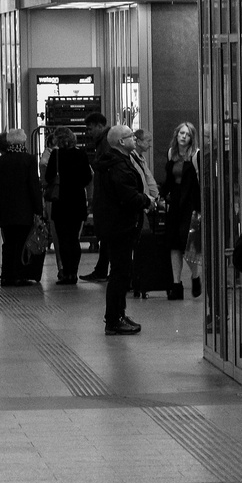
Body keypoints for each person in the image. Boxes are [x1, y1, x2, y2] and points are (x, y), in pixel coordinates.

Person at [90, 125, 152, 334]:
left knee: (122, 272)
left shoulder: (118, 161)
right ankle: (113, 320)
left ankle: (119, 313)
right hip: (119, 226)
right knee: (120, 273)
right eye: (130, 137)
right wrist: (147, 201)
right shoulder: (117, 166)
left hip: (116, 225)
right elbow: (127, 196)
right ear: (121, 142)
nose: (134, 139)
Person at [0, 129, 42, 287]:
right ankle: (19, 275)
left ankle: (7, 275)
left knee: (8, 243)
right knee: (21, 242)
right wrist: (38, 210)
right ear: (23, 142)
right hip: (24, 210)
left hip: (6, 211)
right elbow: (34, 186)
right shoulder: (29, 160)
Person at [159, 123, 202, 301]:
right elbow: (169, 180)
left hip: (192, 203)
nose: (184, 137)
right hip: (175, 203)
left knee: (189, 244)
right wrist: (161, 196)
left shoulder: (196, 155)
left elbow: (199, 182)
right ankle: (176, 284)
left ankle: (195, 276)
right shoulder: (171, 153)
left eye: (188, 134)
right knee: (174, 243)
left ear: (192, 138)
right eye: (181, 133)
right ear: (176, 135)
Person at [45, 125, 93, 285]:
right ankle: (74, 272)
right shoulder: (81, 154)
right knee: (74, 238)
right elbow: (87, 177)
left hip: (61, 201)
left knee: (63, 238)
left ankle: (66, 272)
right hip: (77, 199)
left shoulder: (56, 155)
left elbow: (48, 176)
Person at [78, 112, 112, 283]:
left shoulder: (106, 143)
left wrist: (96, 165)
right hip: (104, 196)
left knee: (107, 235)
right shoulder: (104, 141)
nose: (88, 132)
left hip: (106, 198)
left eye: (90, 128)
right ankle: (101, 269)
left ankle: (104, 271)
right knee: (106, 236)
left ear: (100, 126)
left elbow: (106, 167)